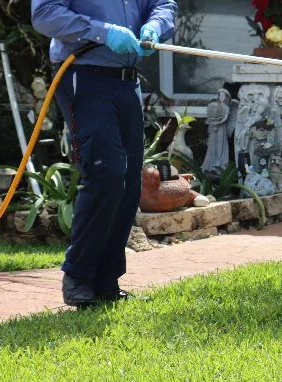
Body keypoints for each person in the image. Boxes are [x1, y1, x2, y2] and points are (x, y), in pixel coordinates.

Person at [31, 0, 177, 308]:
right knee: (106, 174)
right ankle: (78, 276)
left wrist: (155, 26)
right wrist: (103, 32)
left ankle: (106, 281)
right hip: (84, 76)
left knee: (127, 182)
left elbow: (163, 4)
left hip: (127, 81)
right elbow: (44, 14)